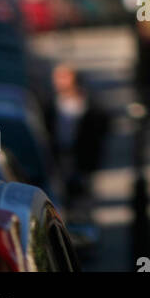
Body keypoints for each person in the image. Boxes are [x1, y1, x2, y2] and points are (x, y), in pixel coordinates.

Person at [49, 62, 109, 209]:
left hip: (82, 157)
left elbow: (102, 124)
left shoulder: (88, 103)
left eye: (64, 77)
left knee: (82, 198)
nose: (60, 82)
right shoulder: (49, 104)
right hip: (58, 157)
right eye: (57, 78)